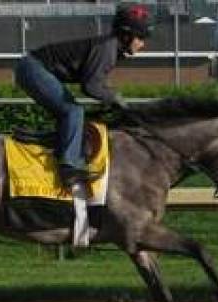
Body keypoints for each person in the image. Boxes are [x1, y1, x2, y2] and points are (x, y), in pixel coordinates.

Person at [14, 3, 151, 186]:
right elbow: (91, 86)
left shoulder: (110, 48)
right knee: (73, 111)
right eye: (140, 37)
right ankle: (69, 167)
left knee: (74, 113)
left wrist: (111, 99)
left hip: (33, 67)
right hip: (32, 68)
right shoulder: (107, 49)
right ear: (126, 35)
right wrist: (117, 100)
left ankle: (52, 140)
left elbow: (96, 84)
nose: (143, 44)